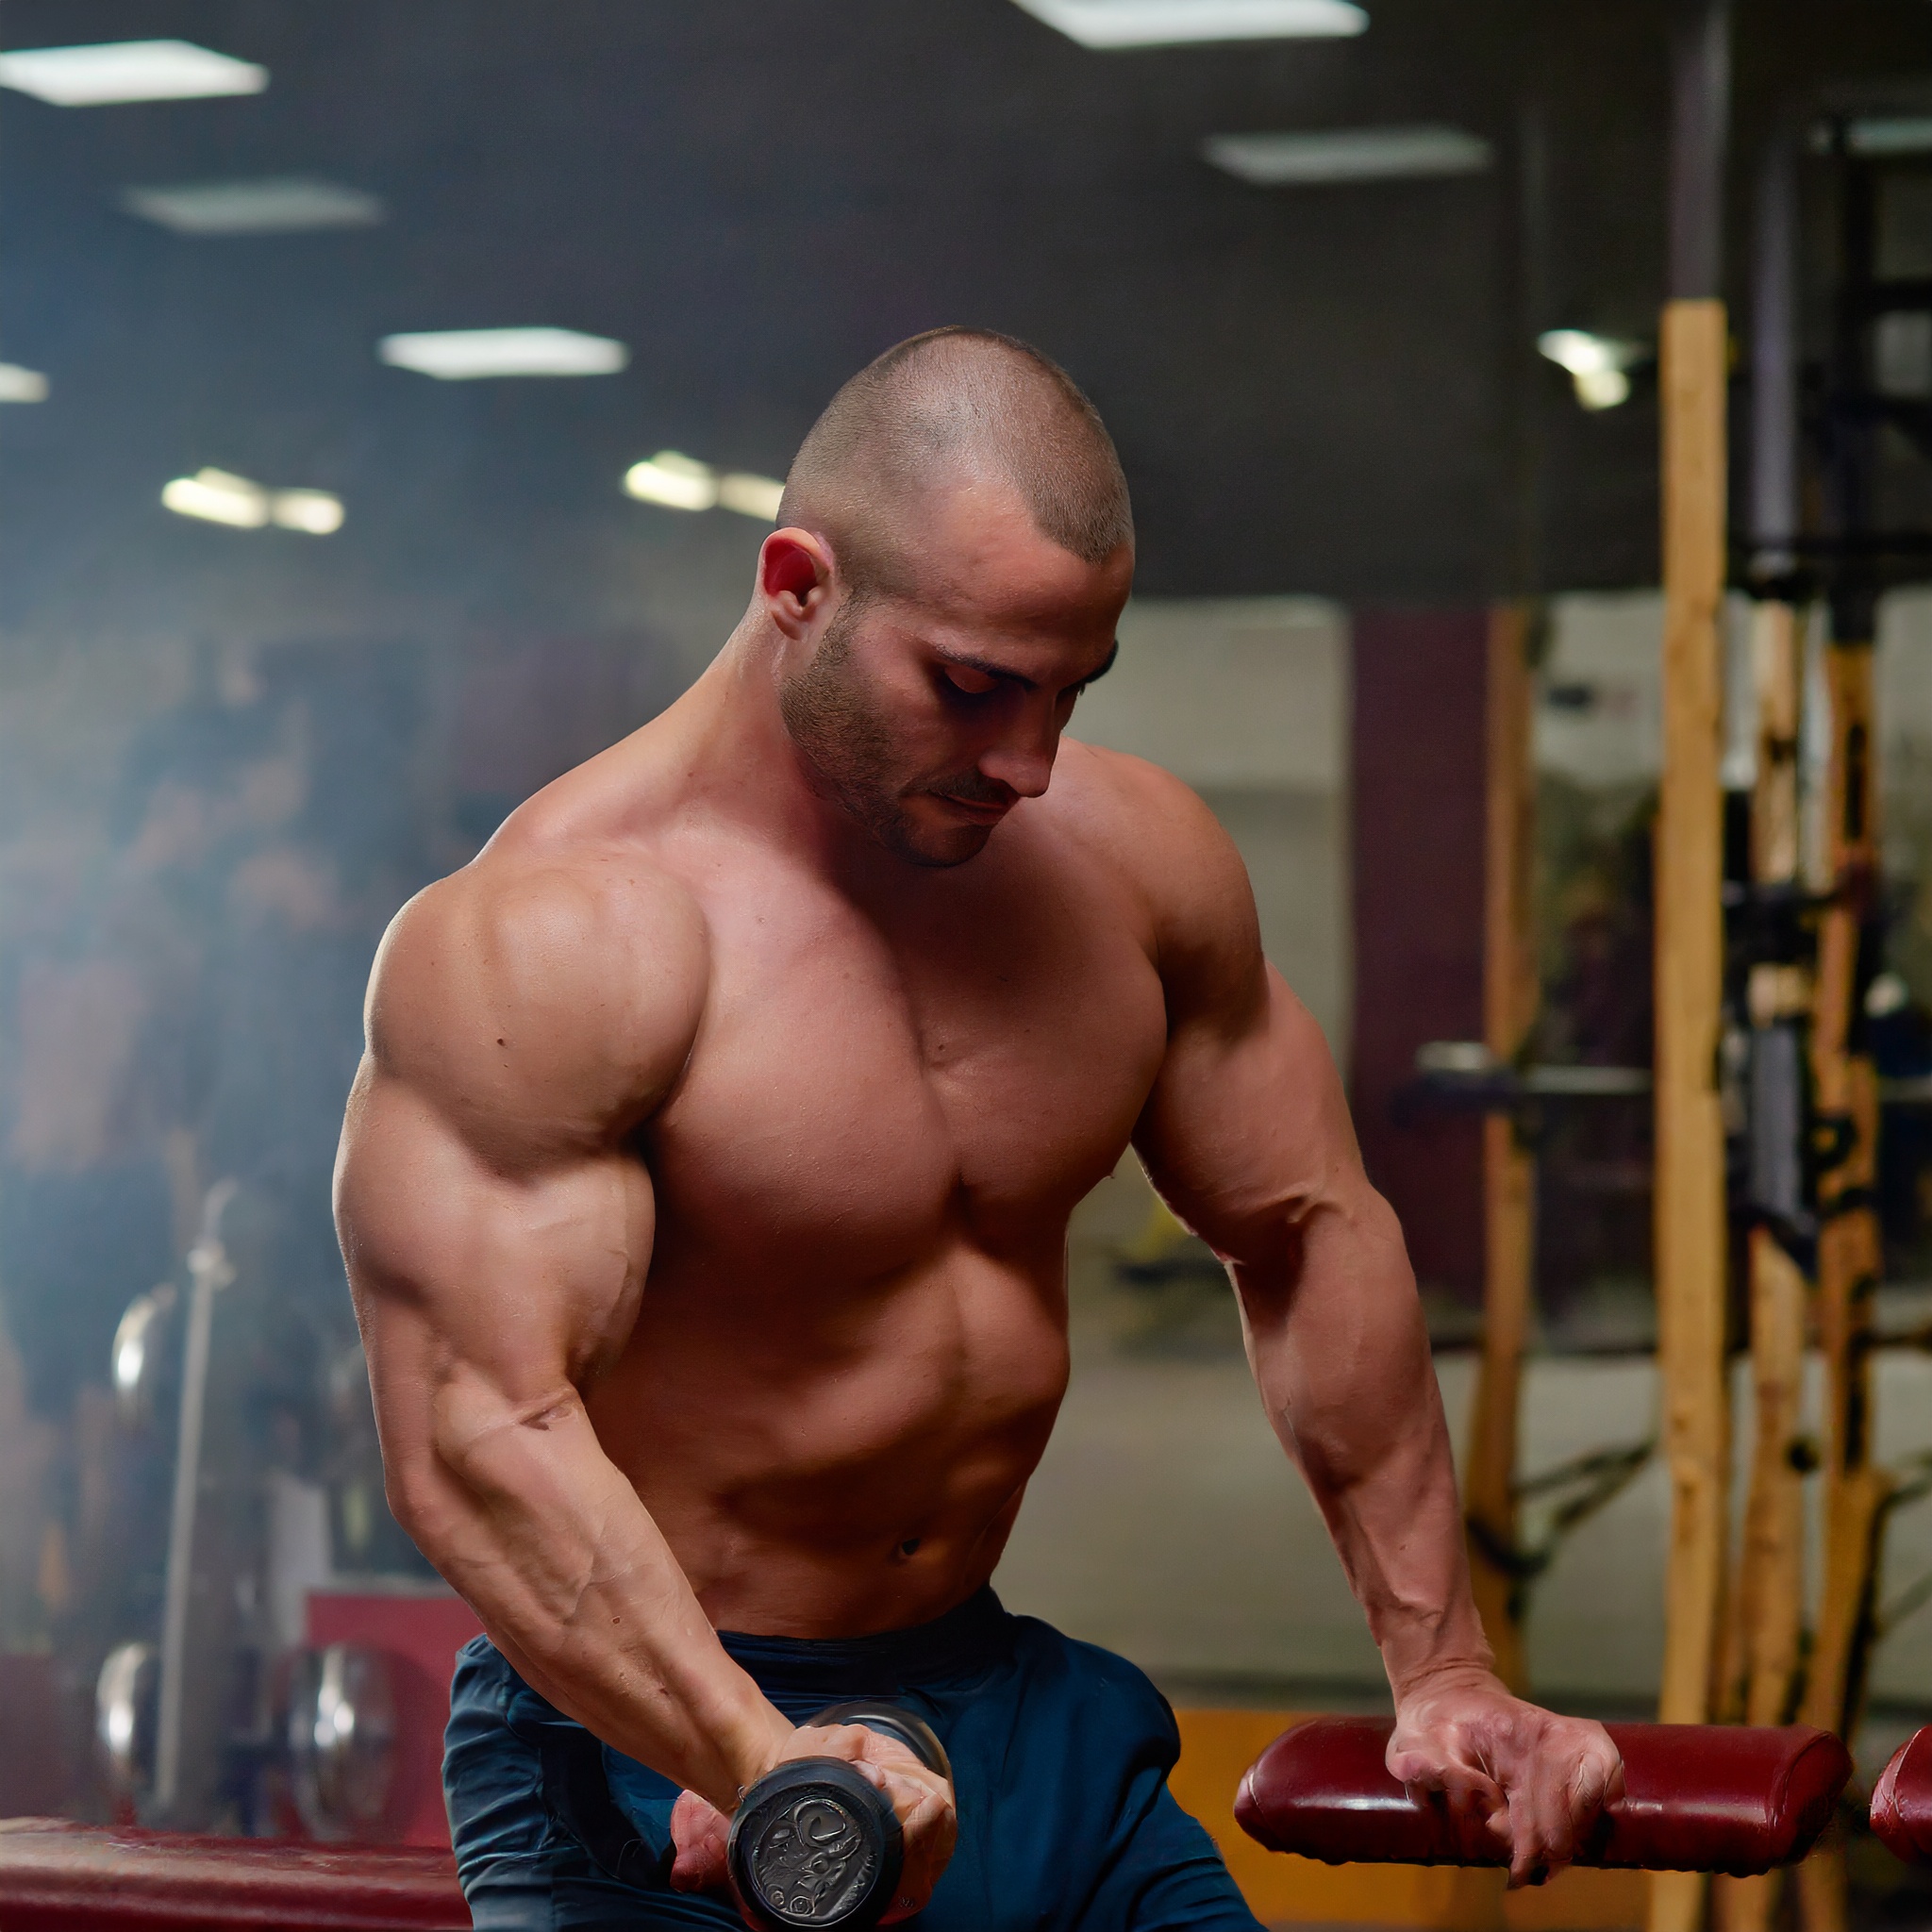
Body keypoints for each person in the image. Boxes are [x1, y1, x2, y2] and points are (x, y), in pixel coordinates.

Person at [335, 328, 1622, 1931]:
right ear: (799, 584)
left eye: (1072, 693)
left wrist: (1446, 1672)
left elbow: (1307, 1230)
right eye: (971, 687)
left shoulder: (1134, 867)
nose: (1029, 761)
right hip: (647, 1752)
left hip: (1001, 1706)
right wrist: (763, 1764)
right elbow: (478, 1431)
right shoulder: (561, 941)